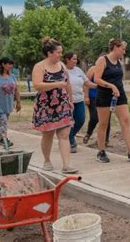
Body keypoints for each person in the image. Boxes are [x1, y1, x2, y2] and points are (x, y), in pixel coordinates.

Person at [31, 37, 78, 174]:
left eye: (61, 52)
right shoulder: (39, 66)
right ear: (49, 53)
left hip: (62, 105)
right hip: (46, 106)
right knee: (48, 134)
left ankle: (66, 165)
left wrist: (70, 100)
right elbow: (37, 85)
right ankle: (47, 160)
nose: (60, 55)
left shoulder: (62, 66)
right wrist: (57, 84)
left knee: (64, 135)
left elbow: (67, 84)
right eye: (58, 52)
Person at [94, 38, 130, 163]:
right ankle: (101, 151)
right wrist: (111, 86)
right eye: (123, 48)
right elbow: (97, 79)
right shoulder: (102, 60)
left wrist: (117, 87)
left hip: (119, 94)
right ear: (115, 47)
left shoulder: (118, 62)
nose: (124, 51)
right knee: (104, 124)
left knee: (126, 120)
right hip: (104, 95)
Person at [63, 52, 96, 153]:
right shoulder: (62, 70)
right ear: (67, 59)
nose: (76, 61)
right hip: (67, 101)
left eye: (76, 59)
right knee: (69, 123)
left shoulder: (78, 70)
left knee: (81, 120)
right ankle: (71, 142)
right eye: (73, 59)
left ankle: (69, 137)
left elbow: (87, 82)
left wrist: (99, 85)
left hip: (79, 100)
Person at [0, 57, 21, 147]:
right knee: (3, 121)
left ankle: (0, 139)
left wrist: (18, 102)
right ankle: (3, 139)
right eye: (9, 64)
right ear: (3, 64)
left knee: (3, 123)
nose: (11, 66)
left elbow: (16, 90)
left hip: (8, 104)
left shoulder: (12, 76)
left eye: (12, 64)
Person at [83, 63, 111, 146]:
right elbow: (86, 83)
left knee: (107, 119)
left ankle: (105, 140)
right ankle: (88, 133)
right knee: (95, 117)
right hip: (93, 97)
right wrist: (86, 96)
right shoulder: (92, 69)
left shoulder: (109, 71)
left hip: (106, 97)